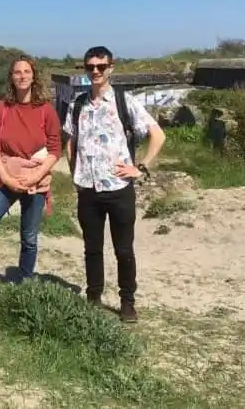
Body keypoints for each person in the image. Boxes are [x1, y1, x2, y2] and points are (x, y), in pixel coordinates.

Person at [63, 46, 166, 323]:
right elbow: (70, 143)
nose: (95, 71)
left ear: (111, 67)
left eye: (101, 66)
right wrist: (75, 172)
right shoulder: (77, 105)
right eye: (90, 67)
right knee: (92, 248)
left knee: (123, 249)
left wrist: (140, 167)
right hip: (88, 189)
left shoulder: (124, 101)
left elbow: (157, 135)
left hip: (119, 189)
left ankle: (127, 301)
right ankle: (94, 297)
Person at [0, 56, 61, 308]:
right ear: (11, 77)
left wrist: (35, 177)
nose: (21, 76)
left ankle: (24, 283)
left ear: (33, 76)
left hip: (34, 178)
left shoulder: (46, 110)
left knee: (28, 238)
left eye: (26, 71)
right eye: (17, 72)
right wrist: (7, 178)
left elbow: (54, 150)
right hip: (4, 176)